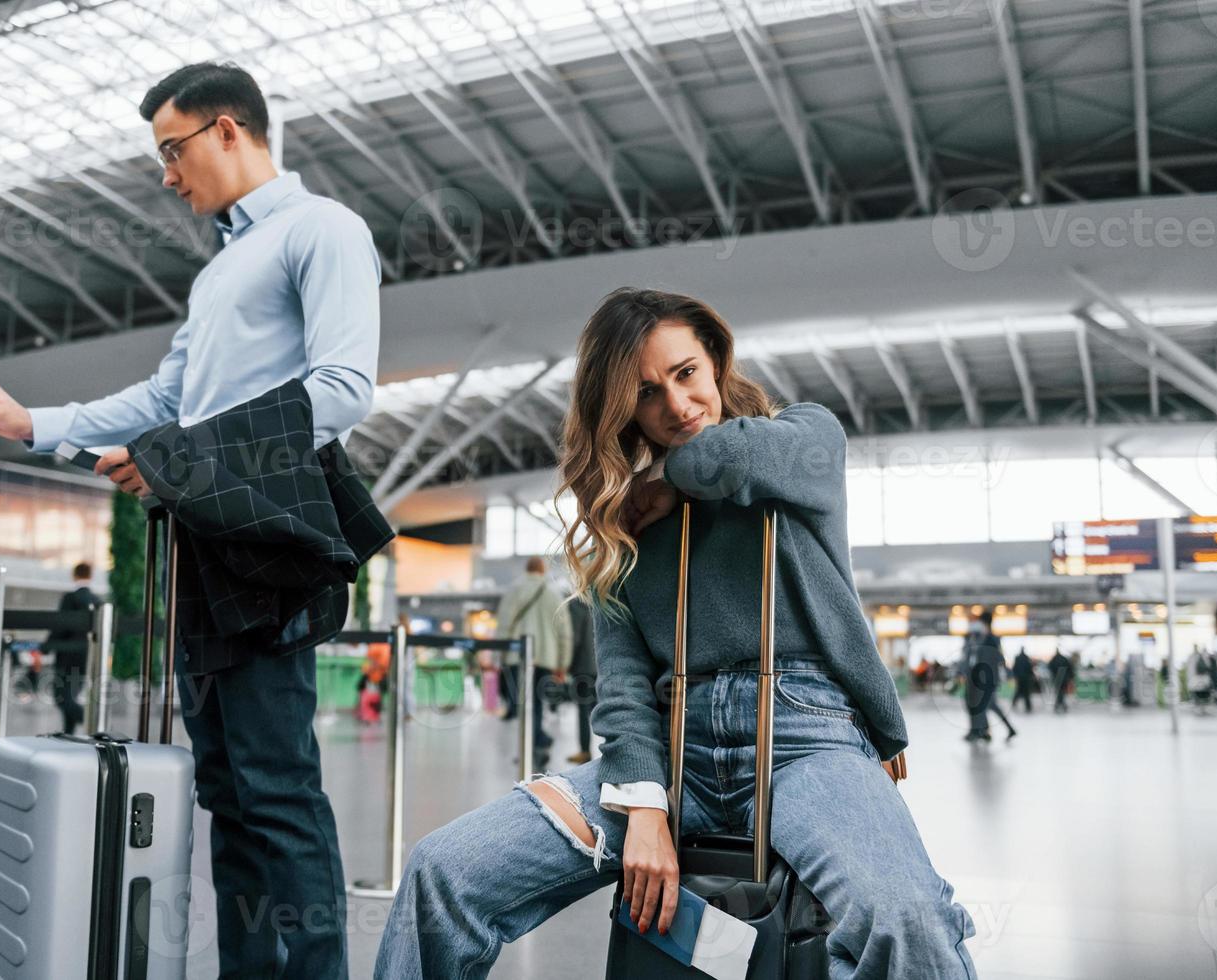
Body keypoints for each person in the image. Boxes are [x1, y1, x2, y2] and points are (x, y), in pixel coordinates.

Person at [374, 288, 976, 979]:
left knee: (906, 919)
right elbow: (624, 686)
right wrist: (645, 809)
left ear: (716, 359)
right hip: (669, 749)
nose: (677, 406)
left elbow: (716, 460)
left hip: (805, 742)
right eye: (645, 393)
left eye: (686, 373)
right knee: (442, 873)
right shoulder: (621, 526)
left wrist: (670, 481)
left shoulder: (802, 443)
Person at [0, 62, 380, 980]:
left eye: (172, 151)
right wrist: (33, 424)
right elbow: (164, 398)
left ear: (227, 130)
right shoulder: (224, 270)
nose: (167, 175)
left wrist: (185, 459)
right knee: (230, 791)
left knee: (277, 791)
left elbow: (342, 391)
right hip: (206, 549)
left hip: (266, 549)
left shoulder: (322, 230)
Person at [495, 557, 574, 769]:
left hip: (516, 657)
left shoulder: (513, 591)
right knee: (537, 703)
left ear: (527, 569)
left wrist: (499, 657)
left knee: (522, 704)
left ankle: (535, 743)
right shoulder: (553, 594)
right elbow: (564, 633)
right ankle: (536, 742)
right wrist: (562, 664)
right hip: (546, 659)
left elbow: (503, 625)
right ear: (543, 570)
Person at [42, 562, 97, 734]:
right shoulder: (96, 600)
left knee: (61, 698)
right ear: (90, 576)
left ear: (74, 575)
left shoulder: (70, 598)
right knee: (70, 695)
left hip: (66, 657)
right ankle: (68, 732)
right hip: (85, 658)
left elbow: (60, 626)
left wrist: (46, 647)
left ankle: (93, 725)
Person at [964, 610, 1017, 742]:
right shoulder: (981, 638)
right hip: (984, 679)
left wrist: (1007, 674)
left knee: (984, 706)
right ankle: (1003, 730)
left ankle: (982, 732)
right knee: (990, 706)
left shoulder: (991, 639)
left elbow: (1000, 659)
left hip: (988, 679)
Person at [565, 594, 598, 765]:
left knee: (583, 709)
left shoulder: (577, 604)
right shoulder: (602, 599)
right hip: (600, 664)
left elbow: (574, 637)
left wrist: (567, 664)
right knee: (601, 706)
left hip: (583, 665)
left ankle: (585, 751)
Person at [1011, 646, 1037, 713]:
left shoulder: (1017, 658)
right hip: (1026, 678)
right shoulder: (1026, 658)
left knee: (1018, 691)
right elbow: (1029, 668)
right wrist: (1032, 675)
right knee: (1026, 693)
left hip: (1019, 678)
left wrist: (1015, 676)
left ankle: (1014, 703)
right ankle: (1028, 707)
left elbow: (1015, 668)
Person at [1050, 648, 1075, 713]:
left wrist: (1053, 674)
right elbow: (1070, 668)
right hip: (1064, 678)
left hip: (1056, 678)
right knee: (1062, 692)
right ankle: (1061, 705)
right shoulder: (1064, 659)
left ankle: (1059, 705)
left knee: (1059, 692)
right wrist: (1071, 677)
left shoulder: (1054, 659)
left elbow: (1050, 667)